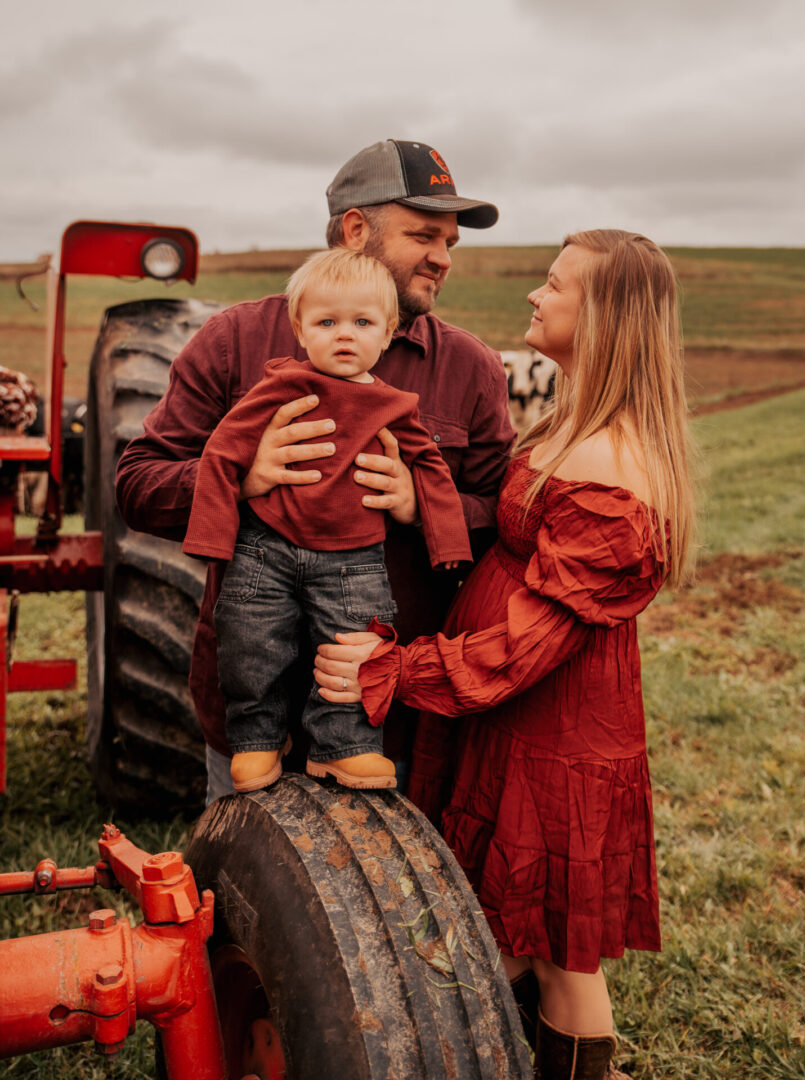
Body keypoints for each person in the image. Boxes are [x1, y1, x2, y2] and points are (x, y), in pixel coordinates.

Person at [314, 230, 697, 1080]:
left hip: (552, 736)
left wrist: (398, 670)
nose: (534, 295)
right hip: (517, 724)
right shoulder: (573, 423)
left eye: (553, 284)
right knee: (509, 935)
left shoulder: (612, 461)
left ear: (601, 317)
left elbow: (528, 646)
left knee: (563, 956)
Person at [115, 139, 516, 803]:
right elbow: (137, 484)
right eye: (424, 235)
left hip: (388, 715)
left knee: (382, 901)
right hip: (251, 712)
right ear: (356, 231)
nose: (443, 258)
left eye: (450, 242)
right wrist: (239, 478)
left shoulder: (467, 366)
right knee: (248, 885)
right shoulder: (236, 342)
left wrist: (425, 505)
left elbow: (502, 514)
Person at [183, 248, 472, 792]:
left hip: (354, 560)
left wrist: (441, 536)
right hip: (265, 550)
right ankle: (256, 742)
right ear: (300, 330)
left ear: (387, 334)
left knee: (353, 650)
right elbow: (223, 450)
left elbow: (430, 466)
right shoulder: (280, 387)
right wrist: (215, 537)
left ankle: (344, 748)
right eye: (327, 322)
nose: (345, 335)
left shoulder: (393, 404)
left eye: (362, 323)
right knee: (252, 641)